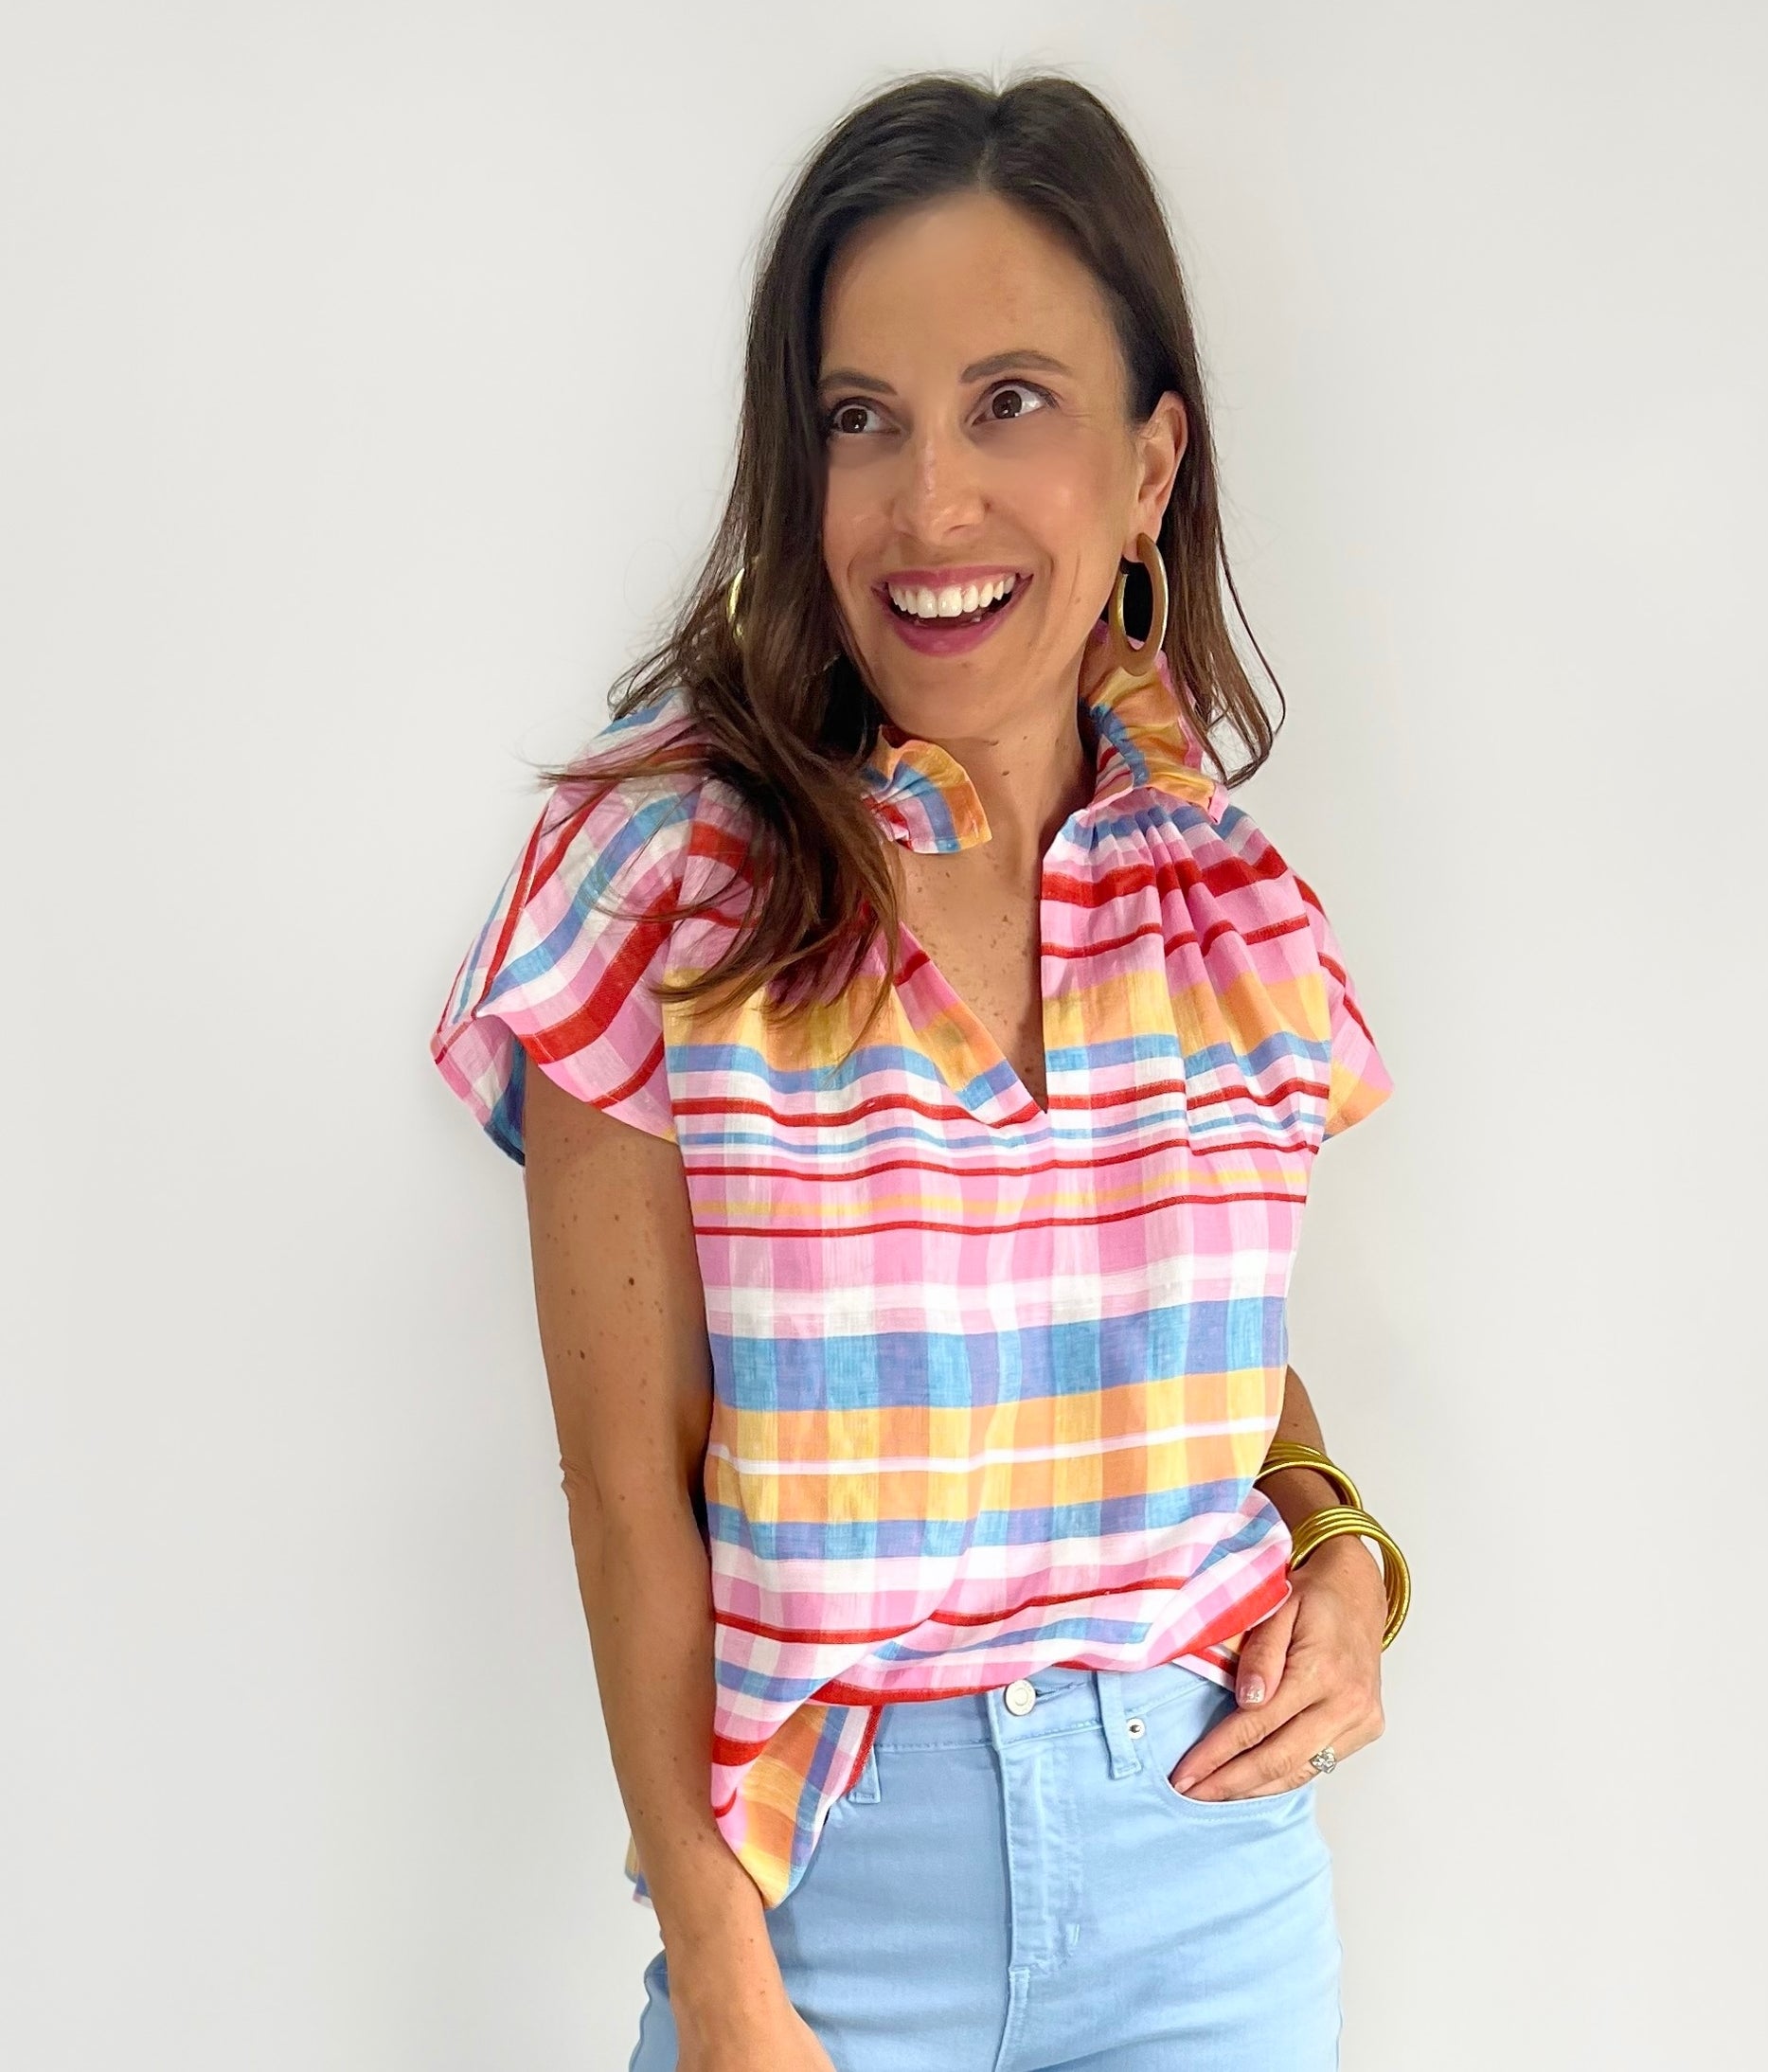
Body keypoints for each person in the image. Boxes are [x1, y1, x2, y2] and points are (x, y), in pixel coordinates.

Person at [429, 68, 1411, 2072]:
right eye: (857, 419)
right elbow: (626, 1491)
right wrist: (725, 1981)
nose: (927, 504)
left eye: (1008, 403)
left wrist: (1336, 1542)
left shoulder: (1232, 903)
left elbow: (1206, 1363)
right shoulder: (661, 875)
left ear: (1148, 467)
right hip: (826, 1910)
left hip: (1209, 1883)